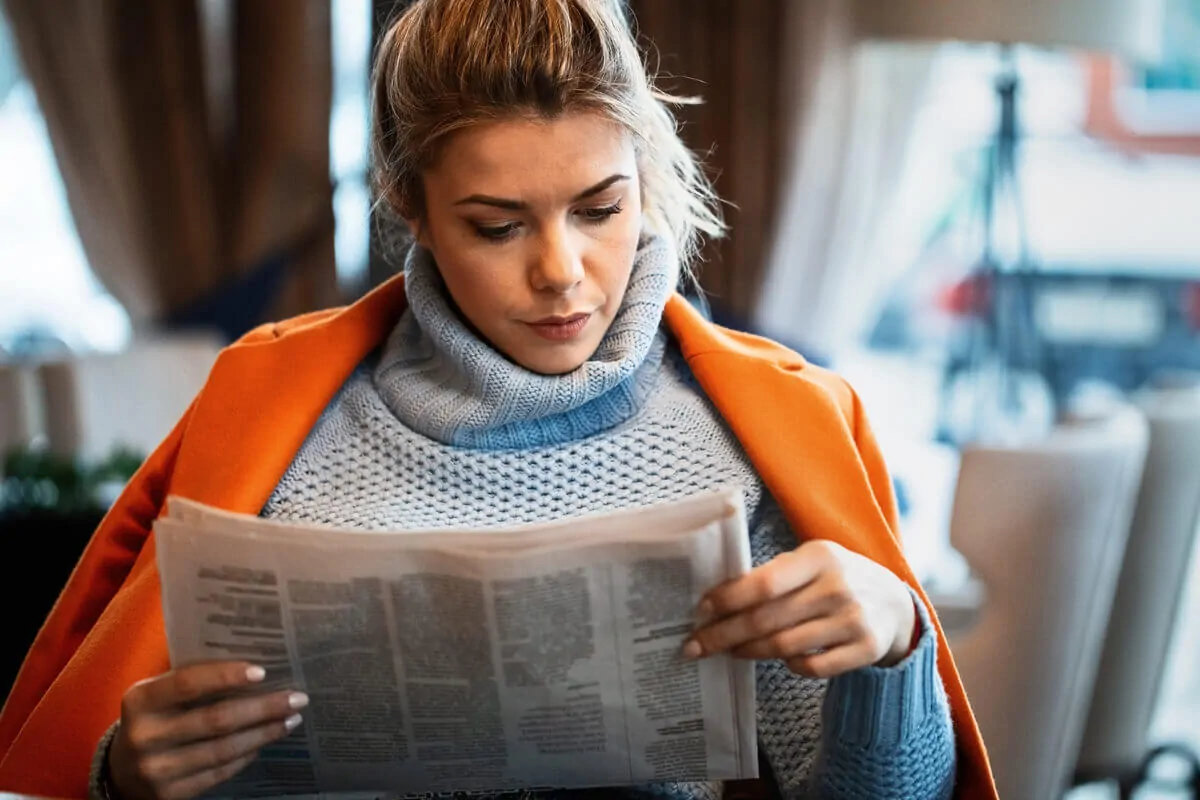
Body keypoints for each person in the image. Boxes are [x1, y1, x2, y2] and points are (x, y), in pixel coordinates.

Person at [0, 1, 996, 798]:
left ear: (647, 179)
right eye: (495, 225)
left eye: (601, 208)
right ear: (410, 204)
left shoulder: (754, 436)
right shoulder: (275, 423)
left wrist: (894, 646)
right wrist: (129, 773)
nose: (562, 271)